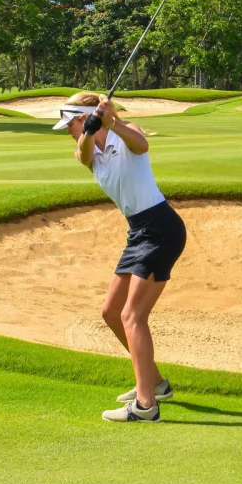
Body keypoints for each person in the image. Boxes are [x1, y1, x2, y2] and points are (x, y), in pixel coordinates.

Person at [53, 91, 187, 423]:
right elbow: (82, 153)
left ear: (82, 117)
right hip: (137, 232)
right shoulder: (86, 152)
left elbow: (142, 145)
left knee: (132, 316)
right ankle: (155, 383)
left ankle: (145, 407)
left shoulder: (125, 134)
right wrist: (88, 130)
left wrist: (113, 121)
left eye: (72, 124)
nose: (70, 131)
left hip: (161, 227)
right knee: (111, 312)